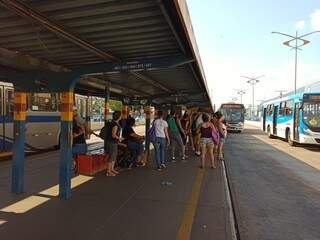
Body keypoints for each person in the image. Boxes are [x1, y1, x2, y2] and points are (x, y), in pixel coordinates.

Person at [104, 111, 123, 176]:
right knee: (111, 157)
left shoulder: (114, 123)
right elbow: (113, 135)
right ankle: (108, 171)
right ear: (119, 116)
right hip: (111, 142)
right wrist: (120, 138)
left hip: (112, 142)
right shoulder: (115, 125)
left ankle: (112, 169)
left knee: (114, 156)